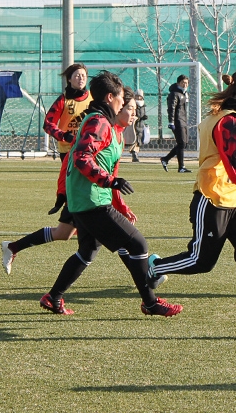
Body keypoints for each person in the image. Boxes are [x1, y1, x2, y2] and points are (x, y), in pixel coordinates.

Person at [146, 70, 236, 340]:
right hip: (212, 197)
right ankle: (154, 267)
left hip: (235, 200)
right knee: (201, 261)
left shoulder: (221, 115)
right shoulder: (232, 121)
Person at [39, 71, 181, 317]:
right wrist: (110, 181)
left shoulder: (100, 120)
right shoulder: (99, 122)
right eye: (120, 98)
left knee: (87, 251)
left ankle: (53, 297)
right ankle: (150, 303)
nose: (123, 102)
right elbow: (81, 157)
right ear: (109, 98)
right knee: (138, 244)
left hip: (86, 199)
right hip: (91, 201)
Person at [1, 88, 141, 275]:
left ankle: (13, 247)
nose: (134, 114)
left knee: (64, 234)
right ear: (117, 106)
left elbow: (111, 175)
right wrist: (62, 192)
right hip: (85, 195)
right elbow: (72, 160)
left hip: (94, 194)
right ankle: (148, 277)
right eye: (130, 108)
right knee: (120, 238)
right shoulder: (101, 127)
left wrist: (121, 204)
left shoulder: (117, 134)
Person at [44, 63, 92, 162]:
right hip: (68, 149)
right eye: (77, 76)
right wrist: (64, 136)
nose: (81, 78)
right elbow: (48, 124)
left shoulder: (93, 98)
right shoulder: (63, 100)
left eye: (83, 76)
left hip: (88, 148)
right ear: (69, 79)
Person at [161, 75, 192, 173]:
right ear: (178, 83)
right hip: (178, 121)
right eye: (183, 82)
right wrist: (171, 122)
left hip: (183, 121)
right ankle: (181, 167)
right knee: (182, 143)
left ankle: (166, 159)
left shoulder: (184, 94)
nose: (185, 85)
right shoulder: (174, 94)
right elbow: (172, 108)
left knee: (184, 143)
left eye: (186, 83)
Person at [128, 90, 148, 162]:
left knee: (139, 139)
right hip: (133, 125)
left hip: (141, 125)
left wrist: (144, 117)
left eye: (140, 96)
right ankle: (134, 152)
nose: (139, 97)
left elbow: (143, 114)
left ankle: (135, 153)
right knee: (134, 139)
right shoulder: (133, 104)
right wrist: (136, 118)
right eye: (137, 96)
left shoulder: (143, 106)